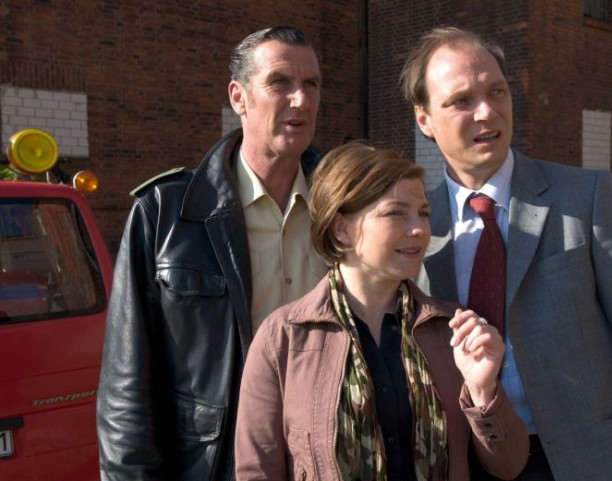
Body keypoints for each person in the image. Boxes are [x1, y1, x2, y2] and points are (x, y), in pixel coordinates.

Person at [401, 27, 612, 481]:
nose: (486, 111)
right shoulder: (417, 229)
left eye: (497, 91)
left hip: (595, 461)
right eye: (461, 100)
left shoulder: (585, 199)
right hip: (471, 459)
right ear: (424, 119)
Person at [96, 26, 327, 480]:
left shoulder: (347, 208)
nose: (301, 99)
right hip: (214, 465)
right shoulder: (166, 214)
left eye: (312, 84)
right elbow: (126, 389)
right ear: (239, 97)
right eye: (280, 82)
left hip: (326, 458)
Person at [233, 142, 529, 480]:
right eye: (396, 213)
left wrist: (483, 391)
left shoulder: (453, 331)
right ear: (342, 230)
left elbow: (509, 466)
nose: (419, 229)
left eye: (423, 213)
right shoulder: (283, 339)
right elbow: (256, 471)